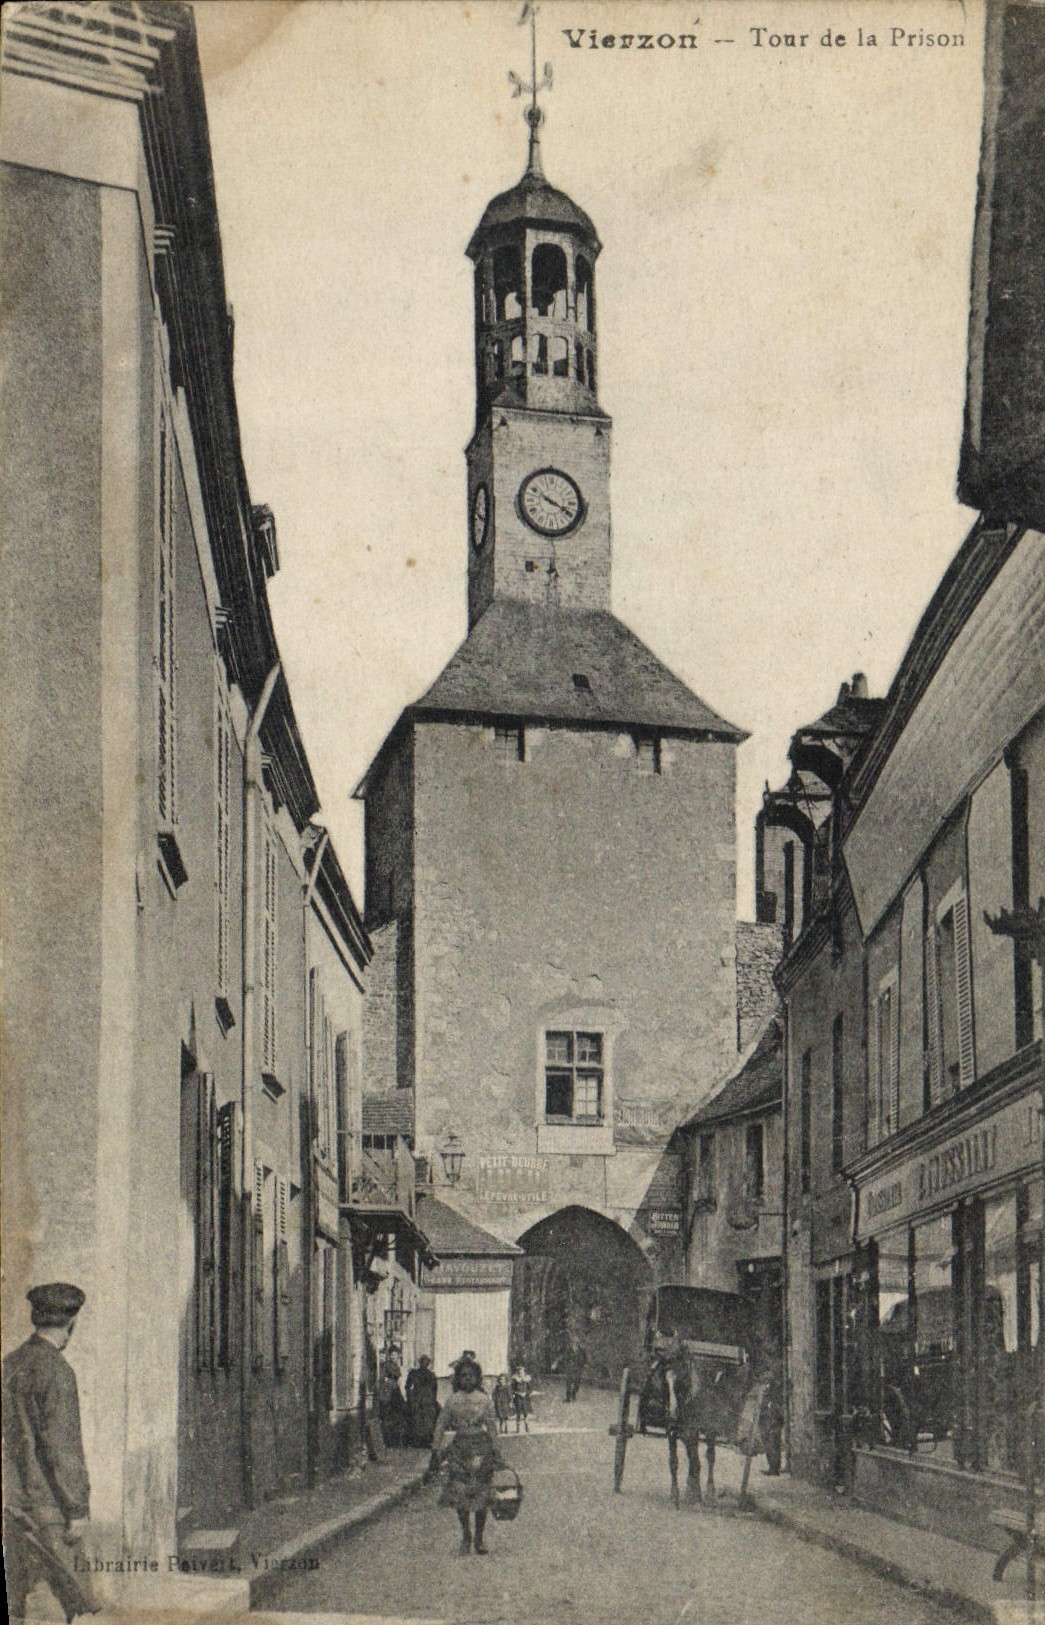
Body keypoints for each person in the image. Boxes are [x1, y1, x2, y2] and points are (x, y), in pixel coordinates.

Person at [3, 1283, 99, 1622]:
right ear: (71, 1324)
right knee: (62, 1597)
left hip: (13, 1505)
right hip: (50, 1509)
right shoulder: (57, 1372)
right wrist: (77, 1509)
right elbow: (63, 1448)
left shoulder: (10, 1364)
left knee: (19, 1600)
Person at [427, 1355, 500, 1555]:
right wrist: (435, 1450)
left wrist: (495, 1450)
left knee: (481, 1495)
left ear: (477, 1378)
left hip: (481, 1448)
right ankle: (466, 1536)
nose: (467, 1379)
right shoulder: (452, 1401)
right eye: (463, 1376)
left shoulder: (484, 1401)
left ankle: (479, 1538)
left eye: (471, 1375)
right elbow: (440, 1425)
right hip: (459, 1450)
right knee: (460, 1495)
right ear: (458, 1379)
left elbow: (492, 1427)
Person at [405, 1354, 440, 1448]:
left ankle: (420, 1441)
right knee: (424, 1419)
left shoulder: (414, 1373)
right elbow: (435, 1389)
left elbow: (407, 1387)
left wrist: (410, 1397)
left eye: (426, 1363)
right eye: (424, 1363)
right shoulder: (430, 1375)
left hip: (420, 1399)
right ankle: (424, 1441)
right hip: (425, 1400)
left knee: (420, 1419)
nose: (425, 1365)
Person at [377, 1354, 408, 1448]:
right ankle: (393, 1441)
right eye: (392, 1355)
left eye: (395, 1355)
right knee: (393, 1419)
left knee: (393, 1419)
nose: (393, 1357)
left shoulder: (391, 1370)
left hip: (391, 1398)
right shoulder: (388, 1370)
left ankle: (393, 1441)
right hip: (389, 1398)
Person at [510, 1362, 533, 1433]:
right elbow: (512, 1389)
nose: (521, 1374)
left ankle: (527, 1427)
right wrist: (517, 1393)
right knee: (518, 1413)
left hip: (525, 1398)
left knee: (526, 1413)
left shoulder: (526, 1380)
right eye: (519, 1372)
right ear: (517, 1373)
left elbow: (530, 1389)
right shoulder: (515, 1381)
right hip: (518, 1398)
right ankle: (518, 1428)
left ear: (524, 1373)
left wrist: (527, 1393)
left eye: (522, 1372)